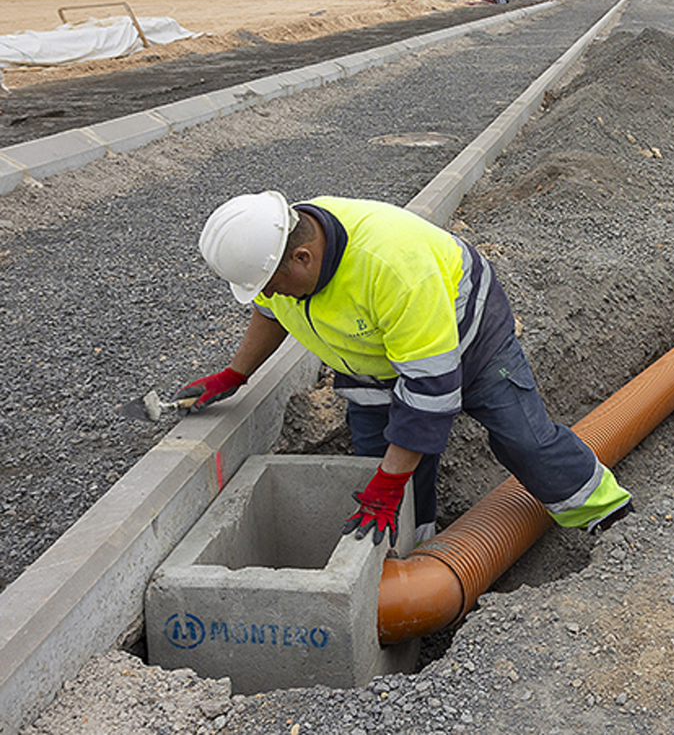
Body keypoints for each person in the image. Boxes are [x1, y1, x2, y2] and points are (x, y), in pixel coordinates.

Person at [176, 192, 633, 548]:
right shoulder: (278, 251)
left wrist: (391, 481)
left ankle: (609, 516)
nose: (273, 294)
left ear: (303, 258)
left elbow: (431, 392)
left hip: (469, 341)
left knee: (523, 441)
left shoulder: (391, 267)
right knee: (383, 470)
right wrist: (236, 374)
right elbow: (270, 311)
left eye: (276, 285)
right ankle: (419, 553)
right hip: (371, 358)